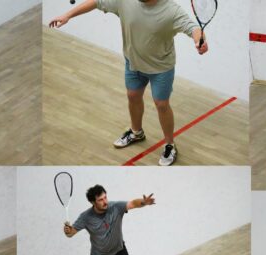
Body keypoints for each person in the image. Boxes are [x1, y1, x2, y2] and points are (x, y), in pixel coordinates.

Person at [48, 0, 208, 166]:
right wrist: (67, 15)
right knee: (132, 96)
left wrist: (199, 41)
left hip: (161, 68)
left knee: (162, 104)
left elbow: (194, 29)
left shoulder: (172, 11)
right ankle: (136, 133)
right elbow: (96, 2)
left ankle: (170, 145)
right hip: (133, 64)